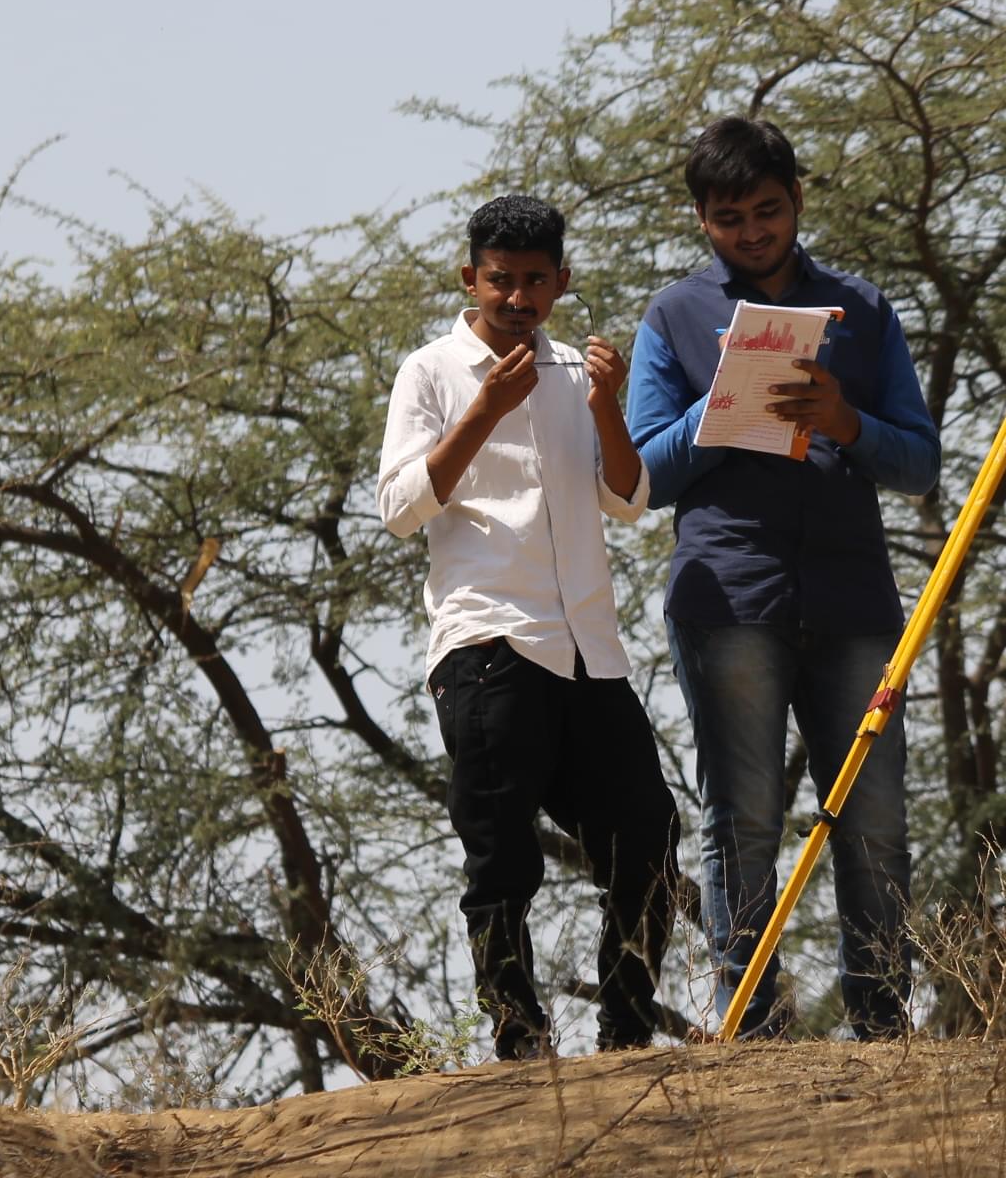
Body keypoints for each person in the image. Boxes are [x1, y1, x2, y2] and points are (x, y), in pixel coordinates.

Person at [628, 116, 938, 1038]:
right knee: (744, 818)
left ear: (799, 199)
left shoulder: (863, 308)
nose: (753, 231)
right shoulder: (673, 316)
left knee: (876, 816)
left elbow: (919, 465)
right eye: (730, 218)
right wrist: (720, 406)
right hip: (729, 597)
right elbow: (643, 475)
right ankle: (749, 1023)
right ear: (701, 220)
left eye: (768, 210)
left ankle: (882, 1020)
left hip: (852, 599)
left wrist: (845, 421)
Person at [377, 194, 678, 1058]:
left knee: (648, 836)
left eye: (533, 282)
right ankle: (519, 1035)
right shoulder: (431, 371)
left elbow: (629, 500)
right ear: (469, 278)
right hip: (488, 643)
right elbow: (399, 508)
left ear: (561, 283)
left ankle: (626, 1026)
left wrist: (610, 404)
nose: (515, 298)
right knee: (502, 853)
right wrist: (482, 410)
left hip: (589, 649)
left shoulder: (578, 378)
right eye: (499, 281)